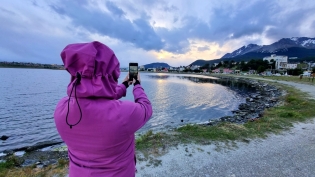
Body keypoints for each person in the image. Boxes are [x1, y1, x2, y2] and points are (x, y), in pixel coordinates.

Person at [54, 41, 153, 177]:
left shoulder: (62, 109)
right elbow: (146, 107)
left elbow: (97, 96)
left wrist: (124, 84)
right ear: (112, 74)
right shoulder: (124, 114)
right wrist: (137, 85)